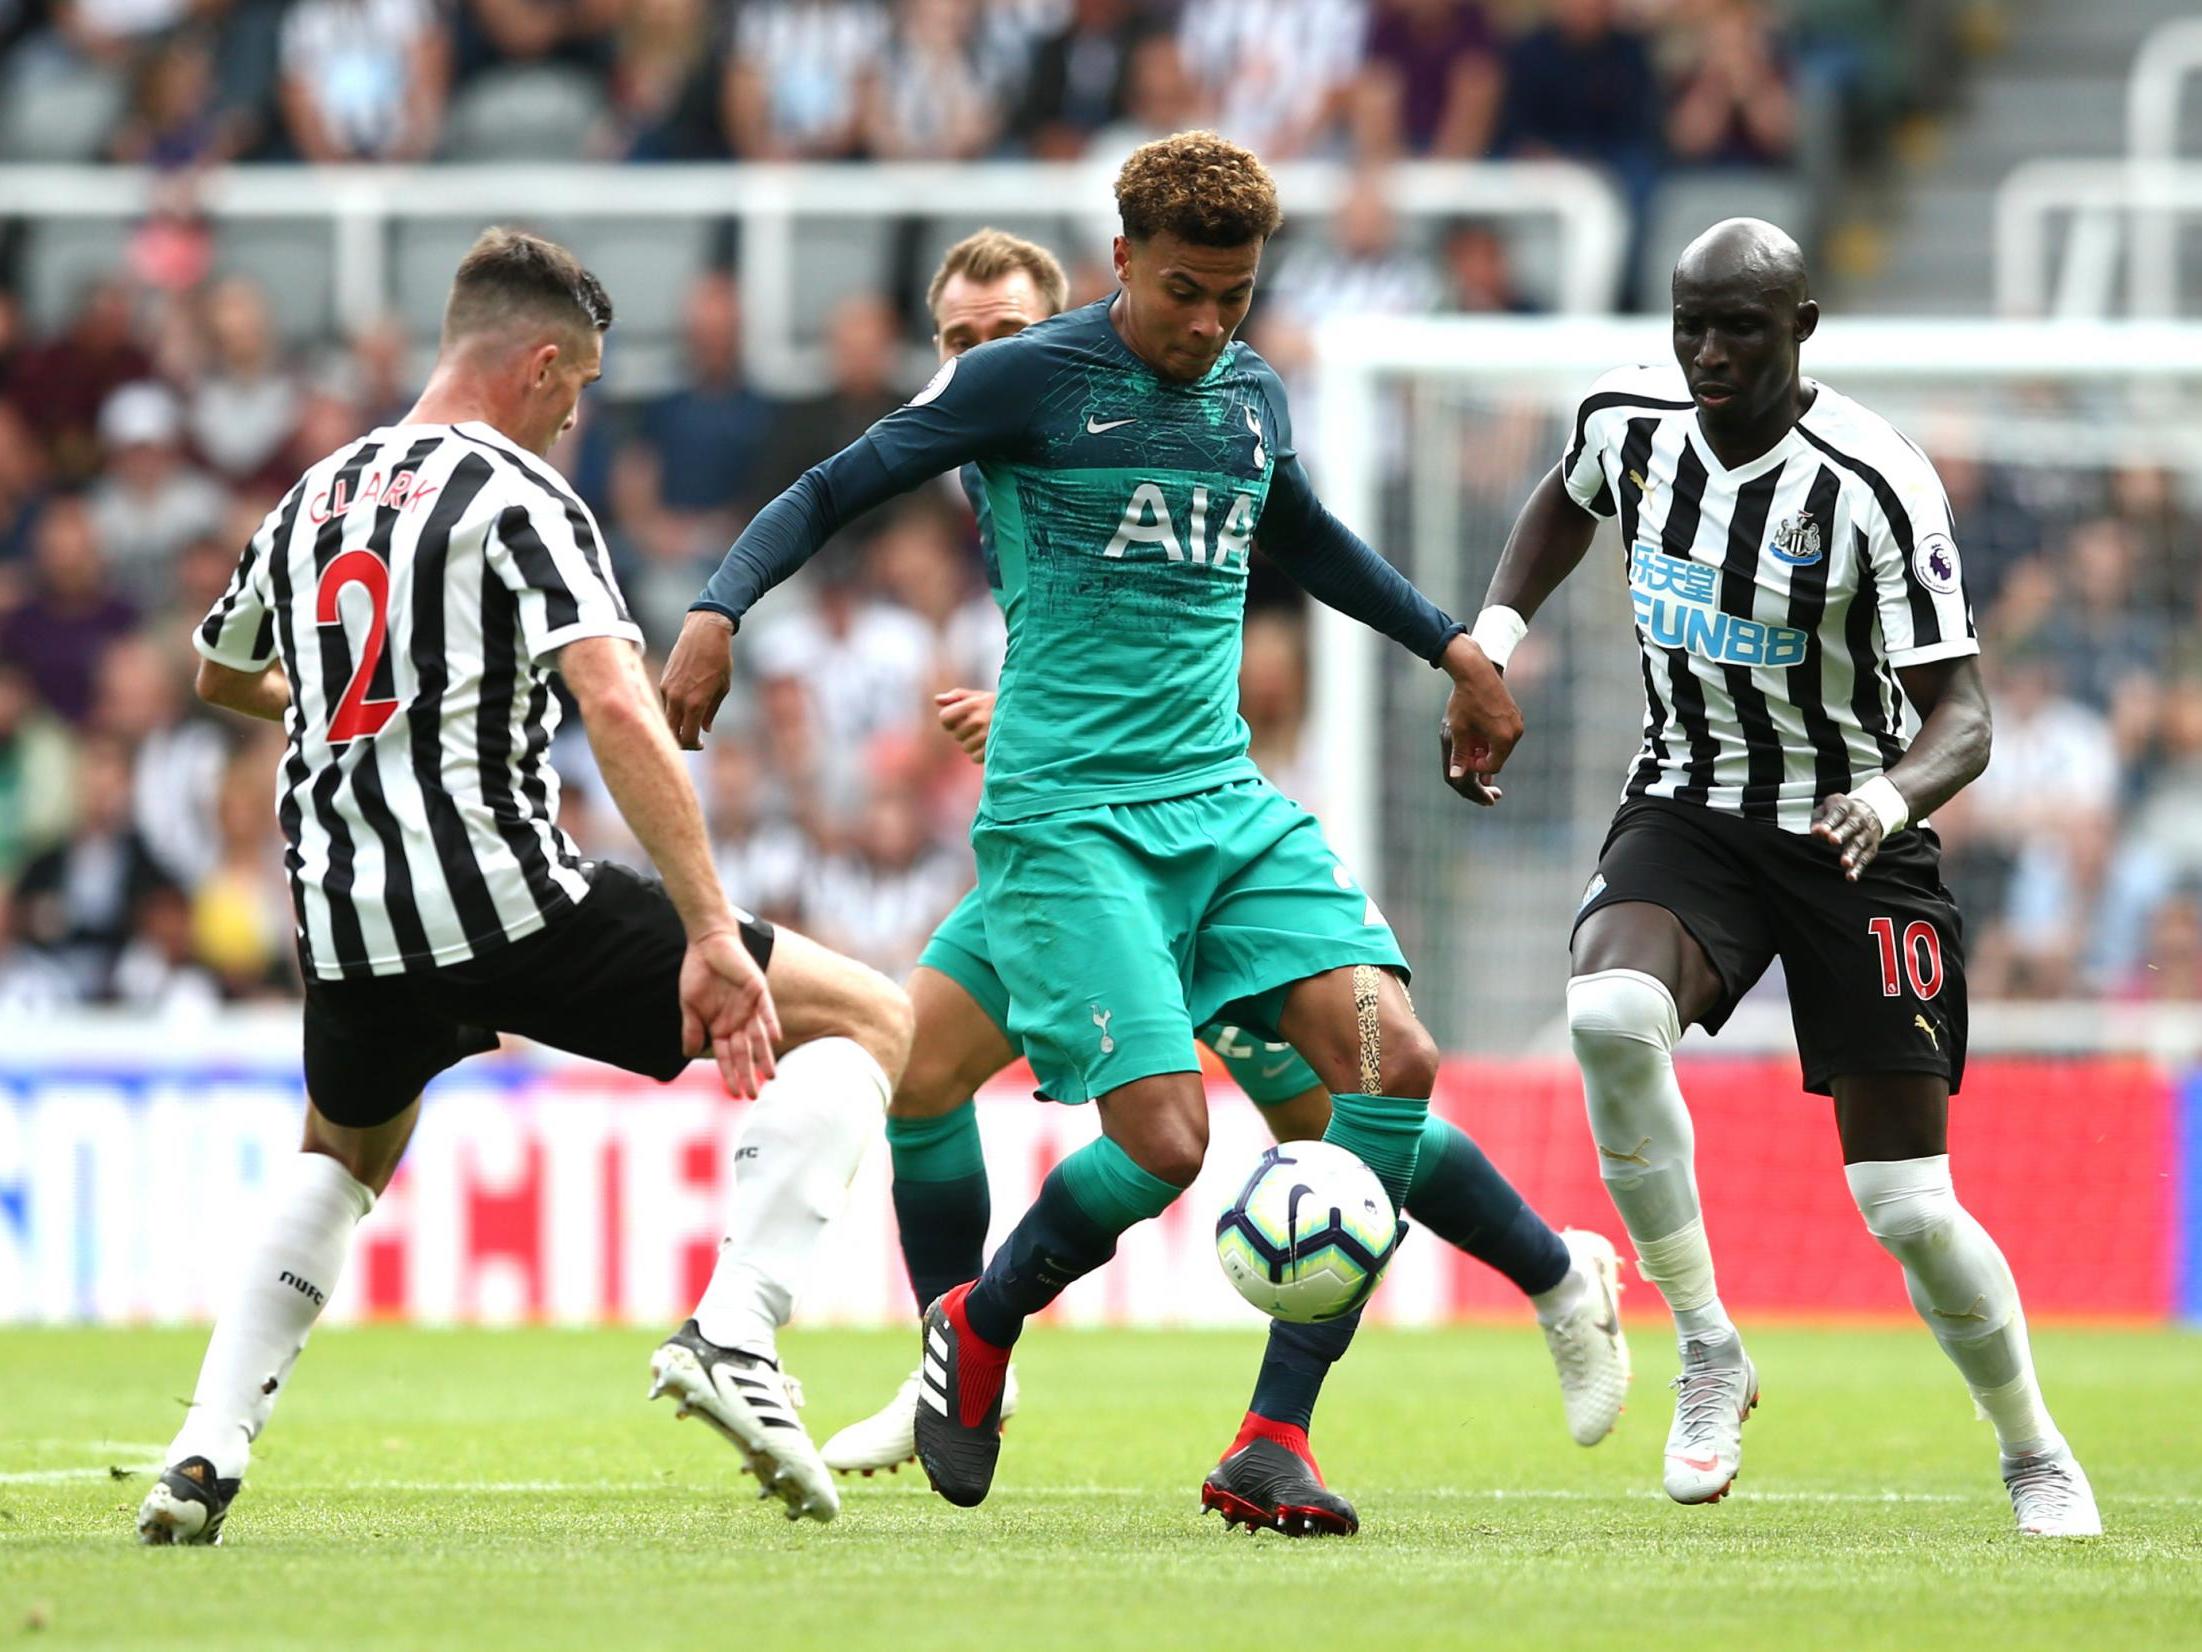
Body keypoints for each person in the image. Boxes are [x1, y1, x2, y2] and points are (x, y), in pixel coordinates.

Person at [660, 137, 1627, 1535]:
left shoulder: (1244, 392)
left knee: (1385, 1062)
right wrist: (716, 610)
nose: (1207, 324)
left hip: (1221, 810)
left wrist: (1454, 648)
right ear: (1120, 263)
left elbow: (1303, 536)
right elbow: (831, 487)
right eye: (1184, 292)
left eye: (1231, 297)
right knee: (1152, 1137)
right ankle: (970, 1333)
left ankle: (1252, 1425)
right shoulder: (1027, 385)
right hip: (1070, 827)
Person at [136, 228, 912, 1547]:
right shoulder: (519, 497)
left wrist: (327, 709)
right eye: (582, 388)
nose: (576, 416)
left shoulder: (313, 494)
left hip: (343, 914)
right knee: (867, 1019)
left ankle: (204, 1451)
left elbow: (218, 672)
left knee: (344, 1153)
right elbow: (611, 697)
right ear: (540, 365)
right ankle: (737, 1331)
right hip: (500, 894)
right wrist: (712, 931)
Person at [1466, 217, 2099, 1537]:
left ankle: (2031, 1446)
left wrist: (1883, 797)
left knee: (1905, 1206)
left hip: (1849, 839)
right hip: (1688, 809)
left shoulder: (1872, 484)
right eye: (1688, 323)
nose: (1705, 351)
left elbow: (1963, 718)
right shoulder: (1627, 425)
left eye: (1738, 327)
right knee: (1603, 1015)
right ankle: (1707, 1346)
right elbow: (1560, 499)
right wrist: (1492, 637)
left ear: (1800, 327)